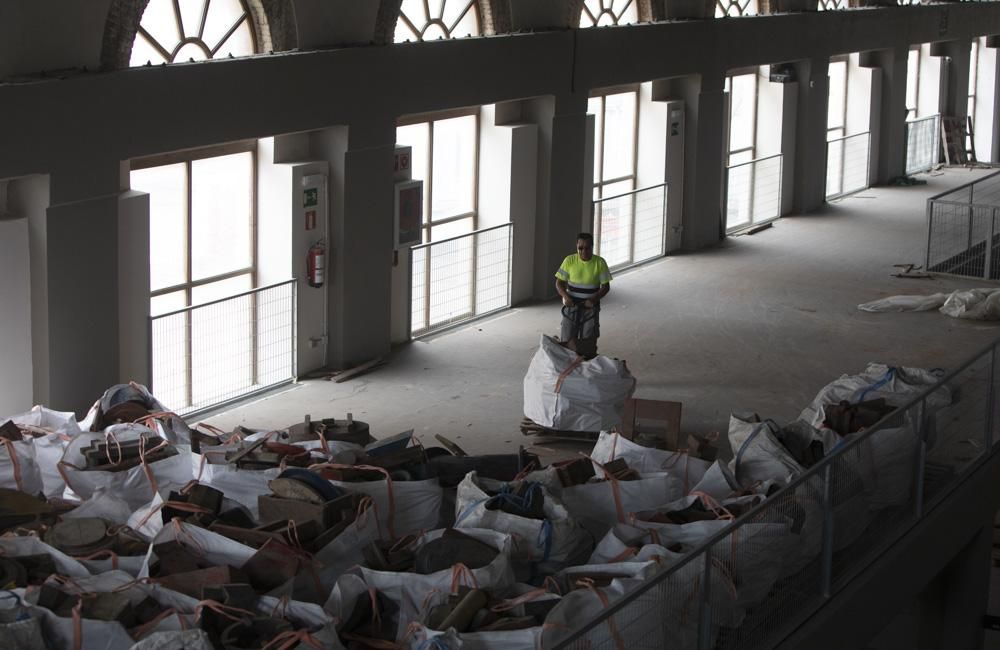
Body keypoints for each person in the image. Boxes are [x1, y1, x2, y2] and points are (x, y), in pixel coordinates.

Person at [554, 232, 611, 356]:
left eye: (587, 248)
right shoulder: (569, 261)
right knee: (567, 337)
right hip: (571, 305)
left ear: (592, 247)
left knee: (588, 339)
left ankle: (587, 362)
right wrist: (565, 296)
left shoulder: (599, 263)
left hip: (590, 307)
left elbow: (606, 287)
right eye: (580, 248)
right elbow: (559, 283)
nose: (583, 251)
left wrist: (594, 299)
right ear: (576, 247)